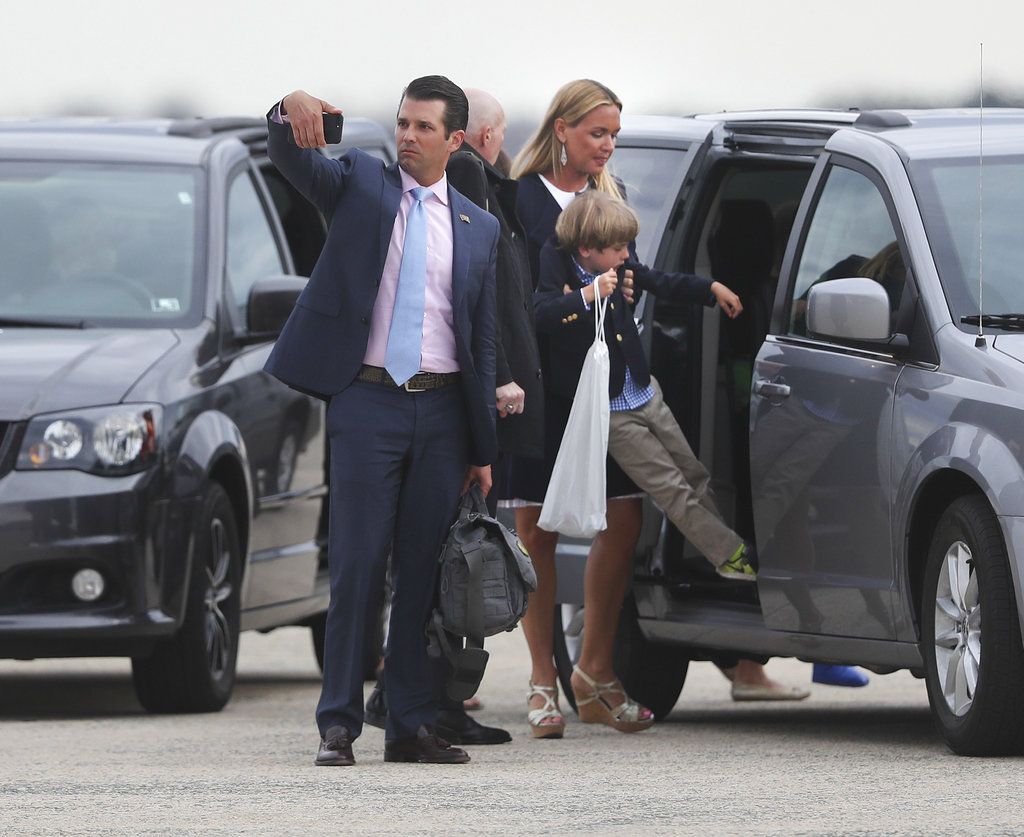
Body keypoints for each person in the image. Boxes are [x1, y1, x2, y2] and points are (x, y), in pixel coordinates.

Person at [264, 76, 499, 766]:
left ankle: (408, 722)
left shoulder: (476, 226)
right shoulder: (363, 184)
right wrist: (289, 108)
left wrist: (482, 446)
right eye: (402, 122)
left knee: (421, 574)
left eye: (424, 127)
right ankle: (338, 722)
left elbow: (479, 341)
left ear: (454, 140)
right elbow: (291, 154)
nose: (407, 136)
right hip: (368, 401)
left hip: (444, 410)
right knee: (360, 566)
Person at [362, 87, 540, 746]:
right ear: (482, 136)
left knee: (449, 555)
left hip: (468, 395)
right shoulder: (465, 178)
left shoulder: (488, 186)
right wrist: (497, 382)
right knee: (448, 558)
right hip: (457, 397)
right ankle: (424, 698)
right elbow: (475, 306)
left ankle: (429, 698)